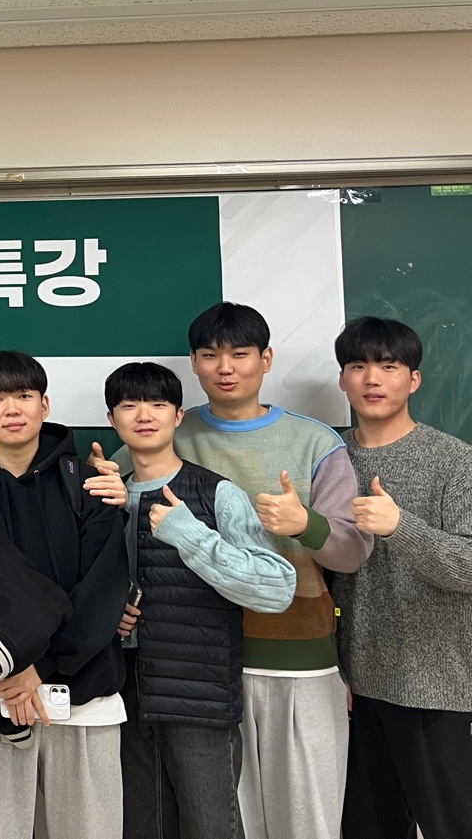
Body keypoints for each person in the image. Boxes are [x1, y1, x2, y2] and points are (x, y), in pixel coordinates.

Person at [95, 302, 372, 839]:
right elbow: (123, 541)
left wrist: (305, 525)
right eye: (209, 355)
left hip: (293, 655)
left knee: (302, 816)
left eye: (240, 354)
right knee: (216, 816)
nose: (225, 368)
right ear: (193, 364)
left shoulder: (315, 441)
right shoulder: (161, 433)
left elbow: (352, 553)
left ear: (265, 359)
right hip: (189, 660)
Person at [0, 350, 128, 839]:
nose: (11, 409)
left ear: (45, 405)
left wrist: (41, 667)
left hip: (83, 700)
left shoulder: (89, 485)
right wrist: (7, 672)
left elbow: (103, 591)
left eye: (23, 395)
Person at [106, 361, 295, 839]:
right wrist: (106, 615)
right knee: (141, 829)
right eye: (129, 405)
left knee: (212, 828)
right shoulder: (105, 497)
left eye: (157, 404)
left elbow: (276, 588)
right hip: (121, 695)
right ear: (111, 419)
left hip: (199, 695)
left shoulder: (216, 494)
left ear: (178, 415)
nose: (143, 415)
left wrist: (189, 534)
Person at [328, 317, 472, 839]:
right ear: (342, 379)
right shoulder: (329, 457)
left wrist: (400, 527)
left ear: (413, 380)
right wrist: (334, 666)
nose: (372, 379)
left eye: (389, 367)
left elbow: (469, 567)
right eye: (358, 366)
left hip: (436, 686)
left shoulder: (454, 462)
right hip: (352, 688)